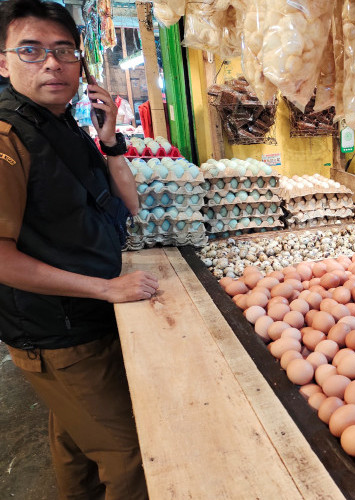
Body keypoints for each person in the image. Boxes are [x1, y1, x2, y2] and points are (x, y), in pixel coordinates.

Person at [0, 0, 159, 498]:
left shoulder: (59, 124)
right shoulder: (8, 137)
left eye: (63, 50)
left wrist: (109, 141)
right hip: (59, 333)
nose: (51, 63)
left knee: (74, 441)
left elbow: (128, 205)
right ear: (3, 62)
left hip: (81, 319)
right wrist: (106, 287)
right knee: (131, 456)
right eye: (31, 50)